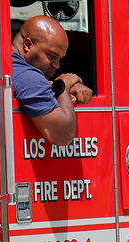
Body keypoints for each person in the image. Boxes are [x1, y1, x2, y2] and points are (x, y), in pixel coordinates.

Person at [12, 16, 93, 146]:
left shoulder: (12, 66)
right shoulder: (28, 77)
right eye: (52, 56)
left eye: (60, 58)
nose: (57, 65)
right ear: (27, 45)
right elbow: (63, 135)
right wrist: (63, 85)